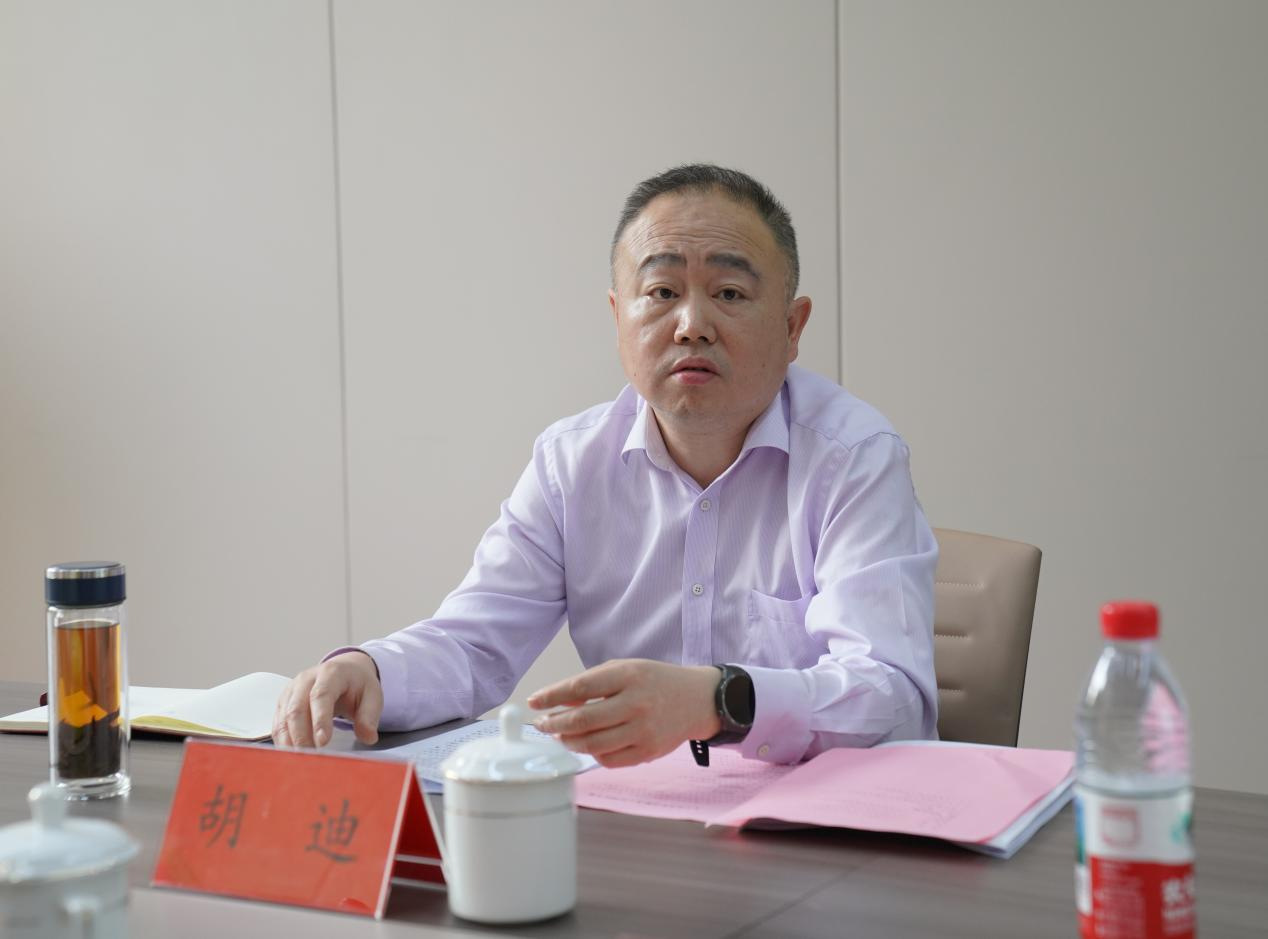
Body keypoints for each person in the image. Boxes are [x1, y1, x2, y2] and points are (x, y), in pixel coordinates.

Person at [273, 164, 939, 768]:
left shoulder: (854, 457)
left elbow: (892, 695)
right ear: (619, 316)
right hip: (638, 817)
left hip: (816, 824)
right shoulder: (570, 463)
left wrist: (718, 700)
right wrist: (370, 670)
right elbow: (474, 644)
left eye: (731, 293)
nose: (692, 324)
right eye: (662, 290)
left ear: (793, 328)